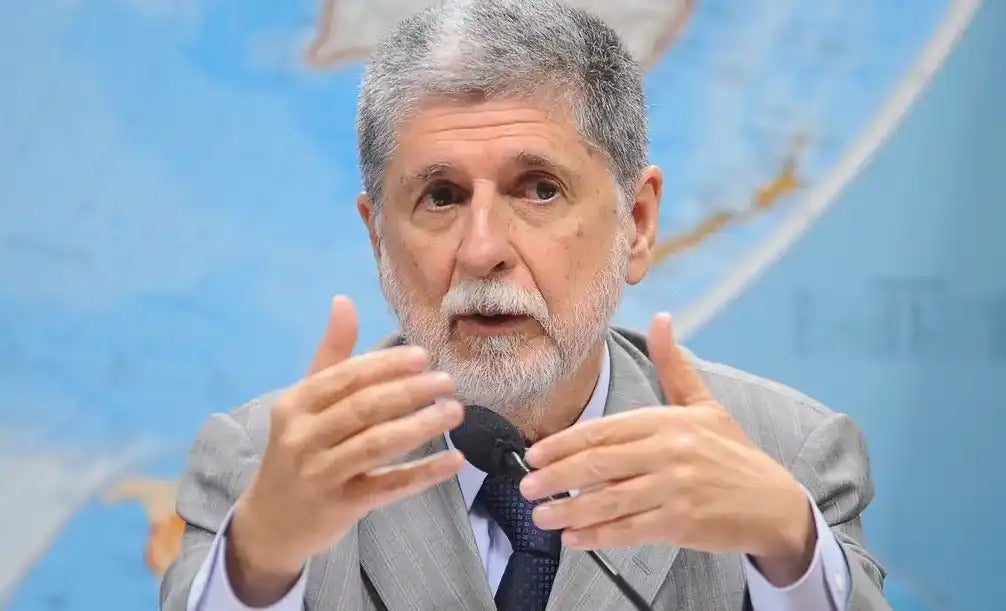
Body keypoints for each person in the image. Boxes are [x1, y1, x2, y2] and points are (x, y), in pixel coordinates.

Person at [161, 1, 889, 609]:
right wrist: (258, 563)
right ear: (379, 239)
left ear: (637, 223)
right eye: (440, 196)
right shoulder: (263, 472)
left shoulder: (784, 457)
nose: (483, 250)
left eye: (539, 189)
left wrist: (790, 551)